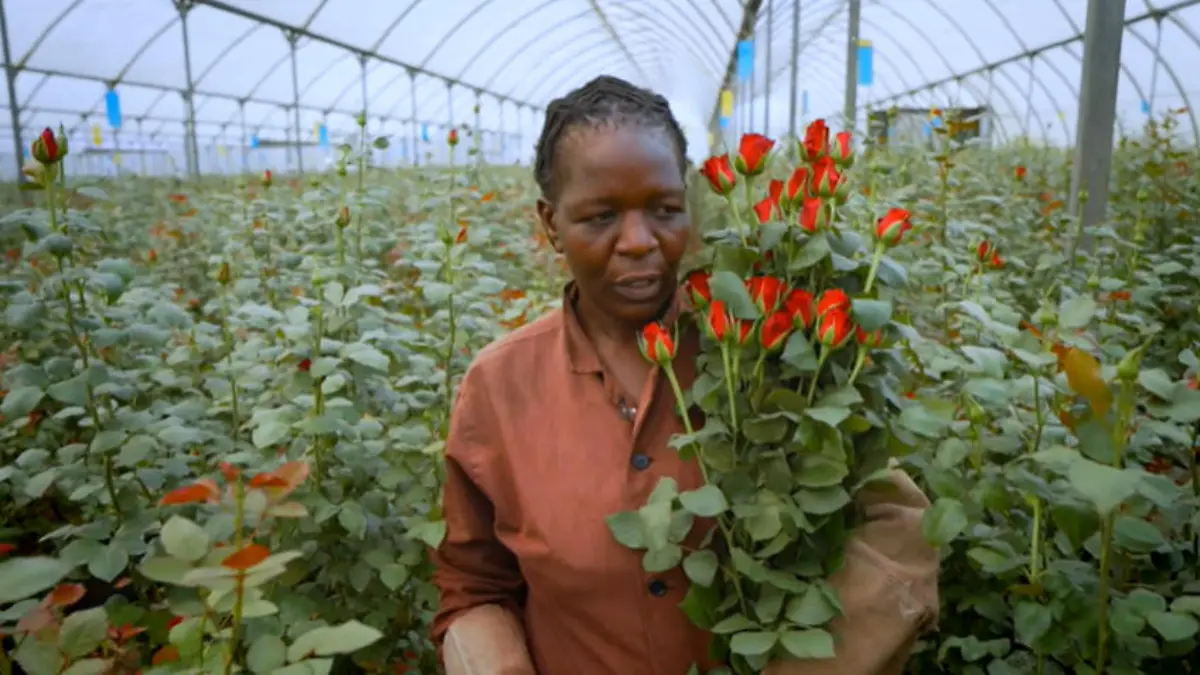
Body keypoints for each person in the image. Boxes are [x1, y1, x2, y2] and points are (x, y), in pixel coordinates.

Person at [430, 75, 939, 675]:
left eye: (665, 210)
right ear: (550, 224)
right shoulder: (499, 387)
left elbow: (896, 527)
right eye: (599, 217)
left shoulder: (769, 350)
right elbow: (473, 586)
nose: (641, 242)